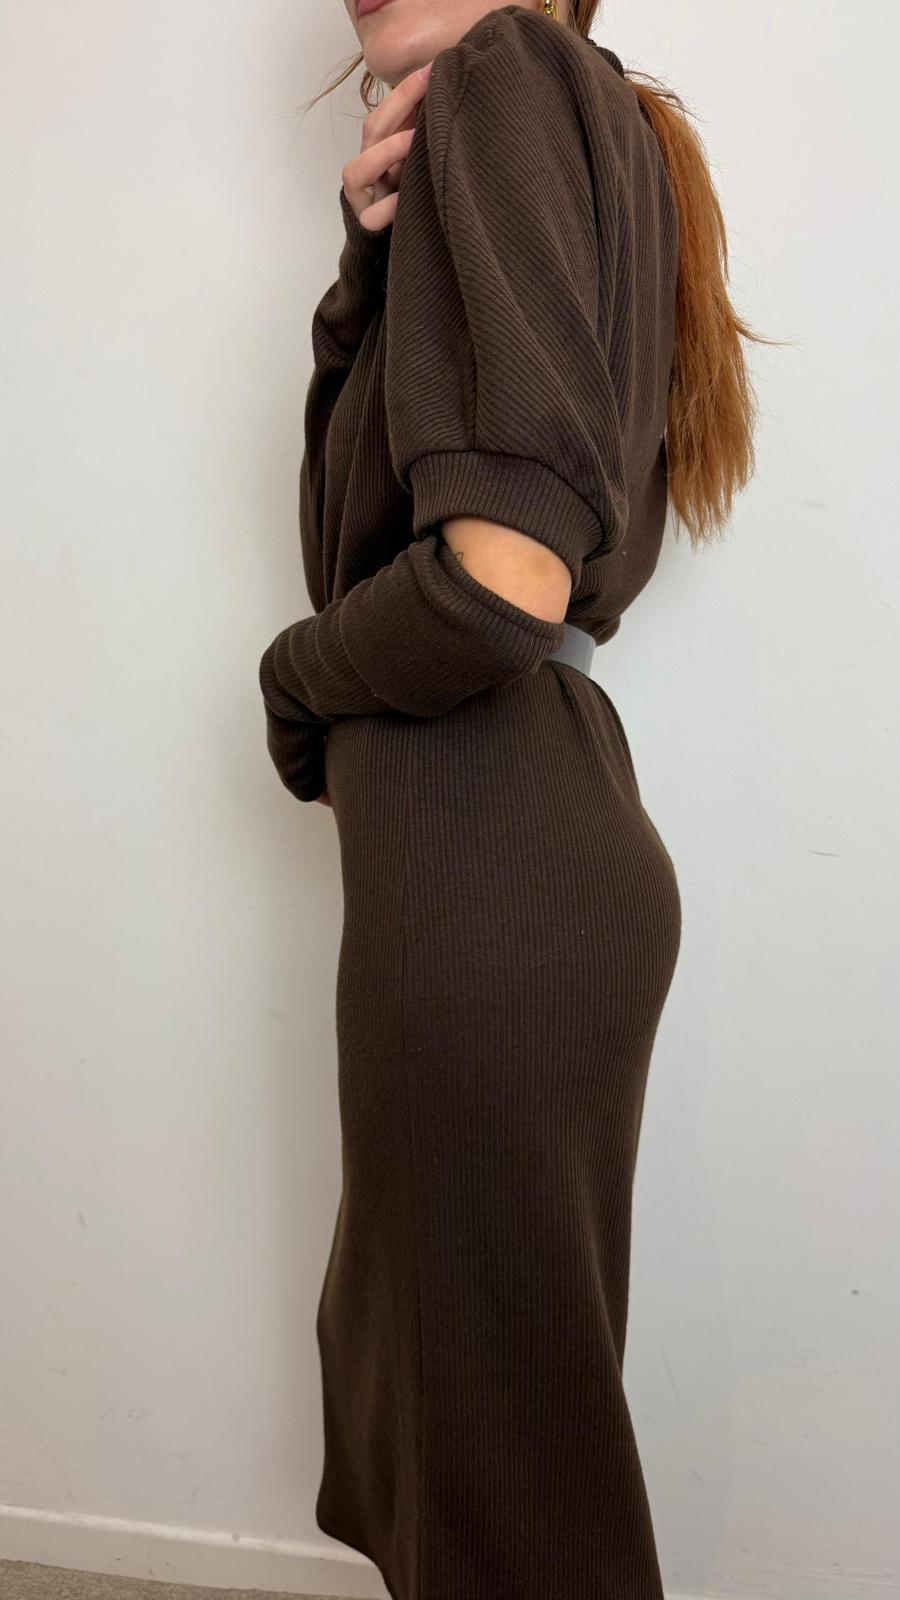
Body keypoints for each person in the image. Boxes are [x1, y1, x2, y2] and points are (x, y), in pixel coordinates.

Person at [258, 2, 764, 1594]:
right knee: (480, 1459)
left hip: (491, 851)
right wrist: (368, 279)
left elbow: (496, 587)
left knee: (503, 1509)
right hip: (518, 841)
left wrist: (293, 681)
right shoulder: (562, 111)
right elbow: (381, 542)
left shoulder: (505, 75)